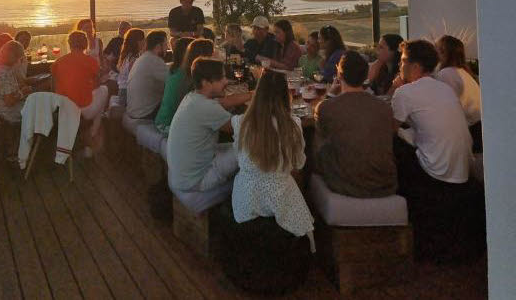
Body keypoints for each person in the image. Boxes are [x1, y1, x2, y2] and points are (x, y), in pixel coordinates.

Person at [231, 68, 314, 244]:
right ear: (286, 95)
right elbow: (299, 163)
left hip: (247, 198)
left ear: (258, 93)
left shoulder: (241, 123)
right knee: (294, 180)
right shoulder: (294, 125)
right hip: (281, 196)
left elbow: (239, 159)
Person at [314, 51, 398, 198]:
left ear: (339, 75)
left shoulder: (327, 108)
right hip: (384, 183)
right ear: (365, 76)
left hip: (346, 184)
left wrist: (330, 95)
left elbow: (320, 147)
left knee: (315, 143)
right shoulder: (384, 108)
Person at [392, 40, 473, 189]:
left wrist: (394, 88)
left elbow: (389, 129)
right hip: (462, 170)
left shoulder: (404, 92)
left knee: (392, 142)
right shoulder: (444, 88)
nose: (399, 65)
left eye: (403, 61)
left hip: (436, 172)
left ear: (415, 66)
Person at [167, 58, 251, 194]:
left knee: (233, 146)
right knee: (251, 145)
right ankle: (250, 196)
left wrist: (254, 94)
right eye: (222, 78)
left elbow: (224, 102)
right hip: (196, 181)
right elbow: (245, 129)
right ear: (206, 82)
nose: (226, 81)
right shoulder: (205, 107)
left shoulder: (193, 97)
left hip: (184, 175)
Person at [51, 30, 109, 157]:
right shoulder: (90, 61)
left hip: (65, 110)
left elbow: (55, 86)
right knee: (104, 90)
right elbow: (97, 84)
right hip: (84, 111)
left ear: (69, 44)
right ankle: (94, 129)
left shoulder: (58, 62)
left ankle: (91, 131)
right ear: (85, 44)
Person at [154, 38, 212, 135]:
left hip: (162, 121)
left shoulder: (176, 70)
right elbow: (204, 103)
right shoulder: (188, 76)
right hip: (168, 125)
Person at [435, 35, 482, 151]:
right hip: (478, 127)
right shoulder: (464, 72)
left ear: (443, 52)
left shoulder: (446, 74)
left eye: (436, 48)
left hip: (471, 131)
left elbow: (446, 109)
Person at [123, 30, 169, 130]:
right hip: (145, 114)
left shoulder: (143, 58)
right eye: (165, 45)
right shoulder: (154, 61)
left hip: (134, 111)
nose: (167, 48)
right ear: (158, 47)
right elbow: (173, 82)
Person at [116, 28, 145, 107]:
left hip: (123, 92)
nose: (145, 42)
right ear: (138, 42)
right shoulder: (134, 59)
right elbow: (134, 80)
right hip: (126, 95)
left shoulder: (127, 56)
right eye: (143, 39)